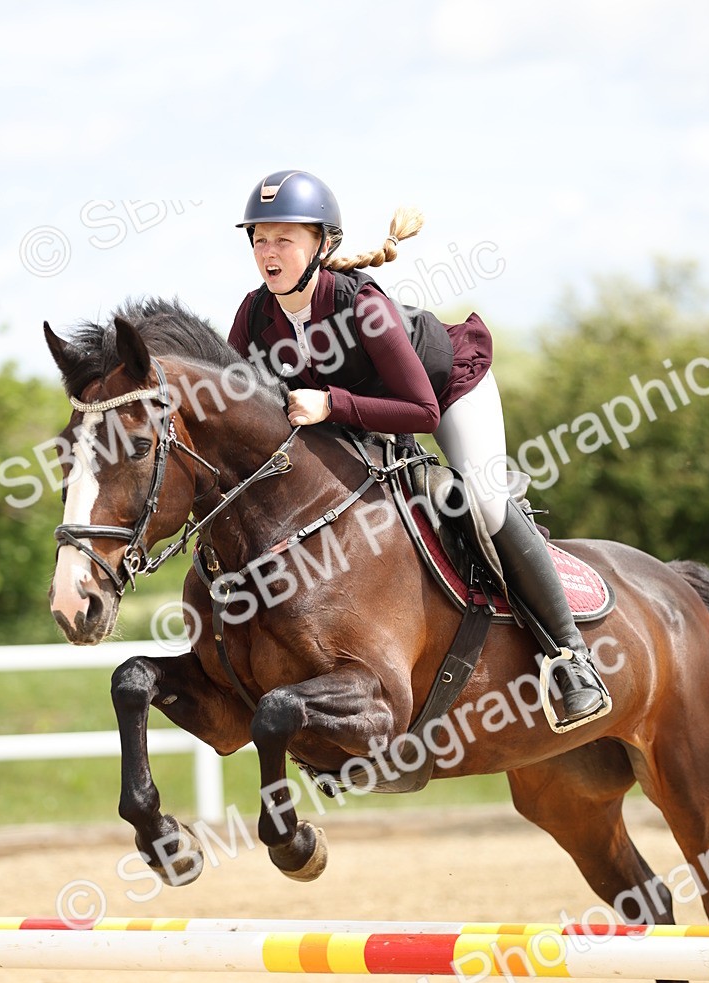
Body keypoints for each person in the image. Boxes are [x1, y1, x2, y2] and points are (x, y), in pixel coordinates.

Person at [228, 168, 609, 727]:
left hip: (448, 391)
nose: (269, 252)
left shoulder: (365, 309)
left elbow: (422, 412)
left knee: (482, 500)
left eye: (284, 238)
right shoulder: (255, 314)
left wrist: (331, 405)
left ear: (322, 244)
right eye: (260, 239)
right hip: (365, 418)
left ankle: (570, 658)